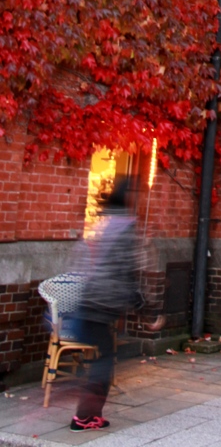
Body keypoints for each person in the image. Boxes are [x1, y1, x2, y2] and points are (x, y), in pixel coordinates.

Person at [69, 176, 159, 432]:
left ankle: (91, 414)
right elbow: (127, 271)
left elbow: (84, 258)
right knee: (104, 359)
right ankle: (84, 416)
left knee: (104, 354)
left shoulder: (103, 223)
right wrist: (145, 309)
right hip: (102, 302)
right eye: (138, 193)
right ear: (130, 196)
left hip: (89, 298)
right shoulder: (125, 227)